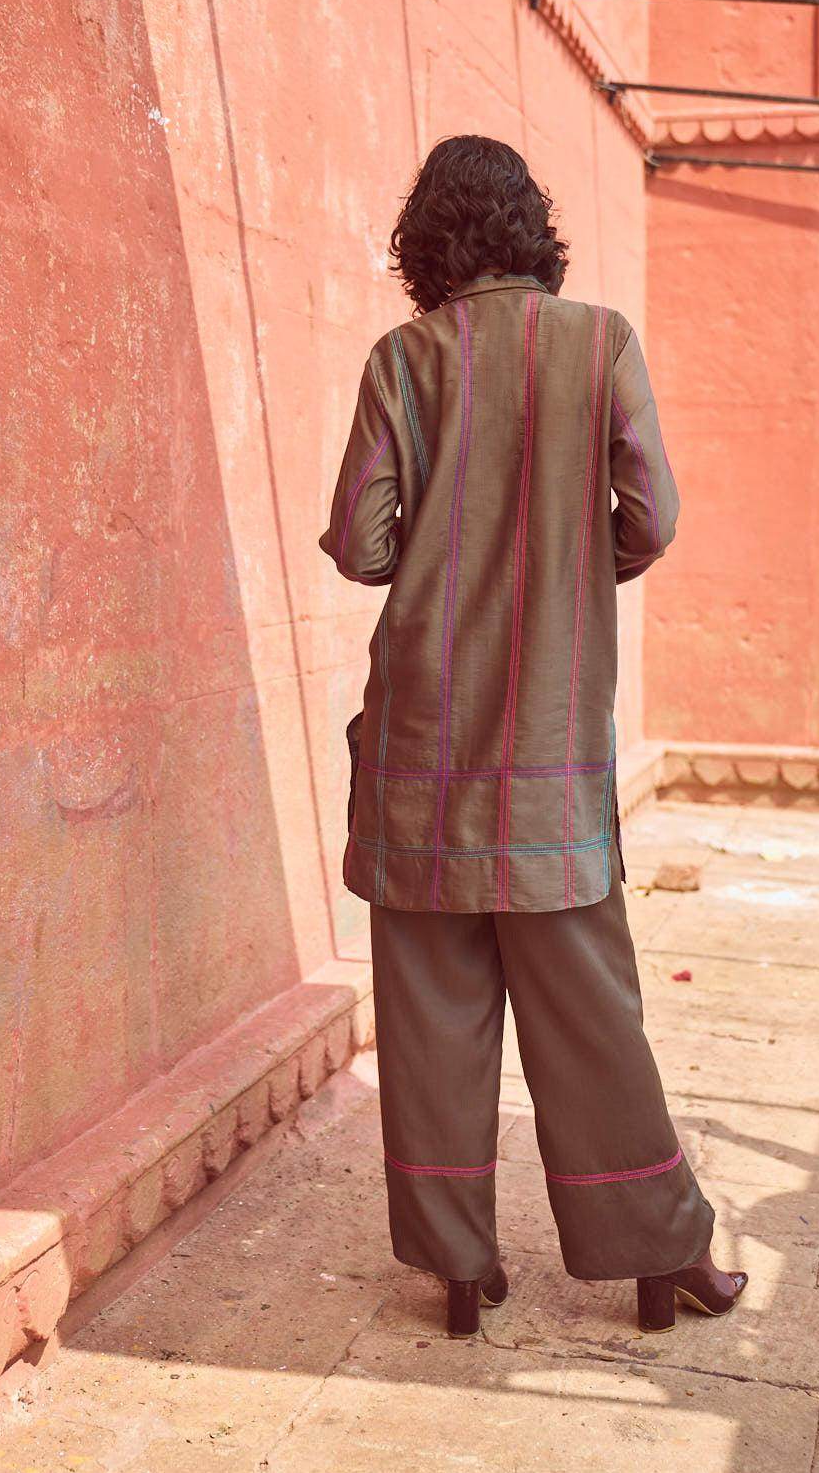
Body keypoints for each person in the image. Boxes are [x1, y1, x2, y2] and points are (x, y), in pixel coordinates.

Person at [319, 134, 746, 1338]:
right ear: (529, 229)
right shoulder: (597, 342)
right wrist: (568, 564)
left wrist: (438, 554)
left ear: (425, 243)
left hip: (420, 749)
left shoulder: (400, 361)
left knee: (428, 1013)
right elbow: (649, 515)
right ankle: (658, 1255)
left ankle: (457, 1267)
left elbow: (360, 544)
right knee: (592, 1016)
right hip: (548, 754)